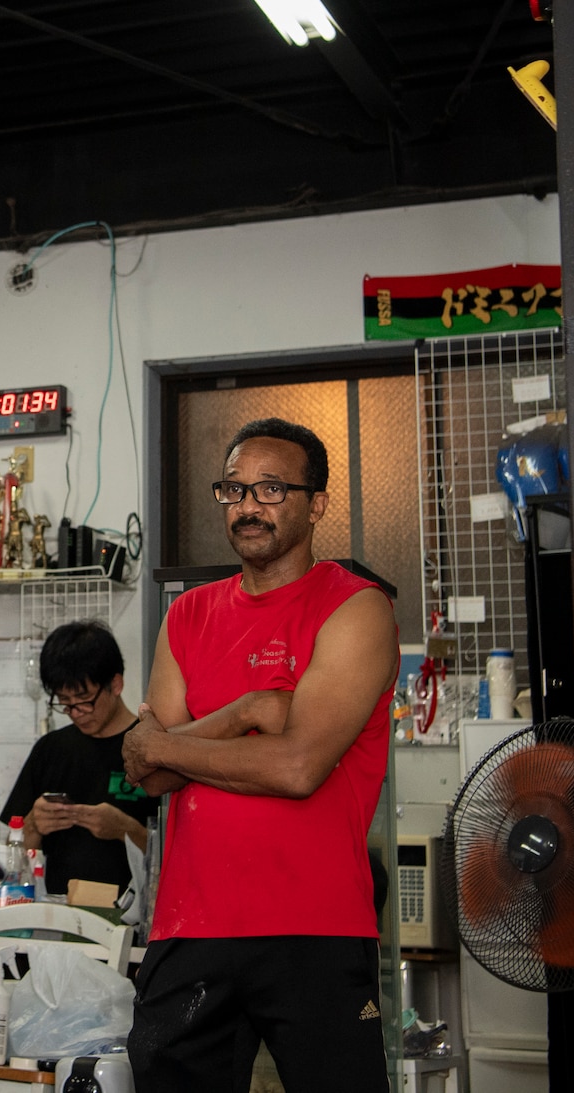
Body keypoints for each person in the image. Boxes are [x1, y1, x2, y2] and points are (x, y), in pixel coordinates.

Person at [119, 417, 399, 1093]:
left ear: (317, 501)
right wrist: (247, 712)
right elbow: (145, 768)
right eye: (234, 489)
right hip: (191, 926)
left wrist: (175, 742)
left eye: (271, 488)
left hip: (315, 927)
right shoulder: (187, 616)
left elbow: (298, 767)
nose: (248, 505)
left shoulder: (355, 608)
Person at [0, 621, 158, 897]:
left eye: (84, 699)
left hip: (134, 920)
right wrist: (34, 823)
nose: (75, 712)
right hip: (58, 916)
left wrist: (126, 830)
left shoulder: (151, 749)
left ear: (115, 684)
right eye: (64, 701)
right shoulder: (50, 749)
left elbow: (176, 856)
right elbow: (18, 851)